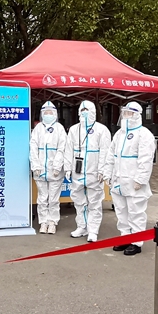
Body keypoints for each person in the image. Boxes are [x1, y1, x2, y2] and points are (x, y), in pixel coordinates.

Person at [103, 102, 155, 256]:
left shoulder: (144, 134)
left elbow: (146, 159)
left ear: (137, 115)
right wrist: (108, 174)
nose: (126, 116)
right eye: (124, 113)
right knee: (121, 211)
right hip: (118, 181)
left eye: (129, 113)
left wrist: (141, 179)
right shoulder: (119, 134)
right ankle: (125, 237)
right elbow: (111, 156)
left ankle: (136, 242)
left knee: (136, 212)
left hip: (133, 182)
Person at [64, 100, 111, 242]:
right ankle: (82, 227)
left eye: (87, 110)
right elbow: (68, 149)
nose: (84, 113)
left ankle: (93, 230)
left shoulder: (102, 130)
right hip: (77, 171)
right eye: (82, 110)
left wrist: (102, 170)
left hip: (94, 172)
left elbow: (105, 151)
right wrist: (67, 167)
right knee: (78, 201)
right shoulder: (74, 129)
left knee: (94, 202)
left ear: (93, 112)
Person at [29, 101, 67, 234]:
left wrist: (57, 166)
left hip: (55, 171)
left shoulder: (59, 129)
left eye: (51, 112)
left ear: (55, 114)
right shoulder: (38, 129)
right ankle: (43, 222)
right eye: (46, 112)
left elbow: (62, 148)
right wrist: (35, 165)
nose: (48, 114)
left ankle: (52, 222)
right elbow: (33, 147)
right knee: (42, 198)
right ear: (42, 114)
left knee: (53, 199)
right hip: (40, 171)